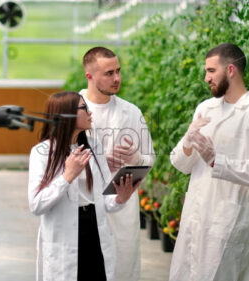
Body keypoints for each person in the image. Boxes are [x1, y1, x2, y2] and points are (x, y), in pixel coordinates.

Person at [169, 43, 249, 281]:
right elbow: (180, 164)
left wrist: (217, 161)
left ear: (230, 70)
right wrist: (188, 141)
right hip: (197, 215)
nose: (206, 78)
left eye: (211, 71)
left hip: (229, 219)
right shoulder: (205, 108)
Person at [28, 91, 140, 281]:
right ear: (66, 115)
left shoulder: (94, 147)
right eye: (83, 108)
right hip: (64, 237)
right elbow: (36, 205)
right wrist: (67, 176)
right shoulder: (42, 152)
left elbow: (104, 200)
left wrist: (121, 197)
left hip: (95, 231)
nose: (90, 113)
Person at [79, 46, 155, 281]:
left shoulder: (131, 112)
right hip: (84, 208)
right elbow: (57, 162)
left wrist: (133, 158)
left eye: (118, 71)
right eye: (109, 73)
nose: (117, 78)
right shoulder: (73, 110)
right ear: (89, 76)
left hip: (121, 209)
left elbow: (149, 160)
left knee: (121, 271)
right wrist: (99, 162)